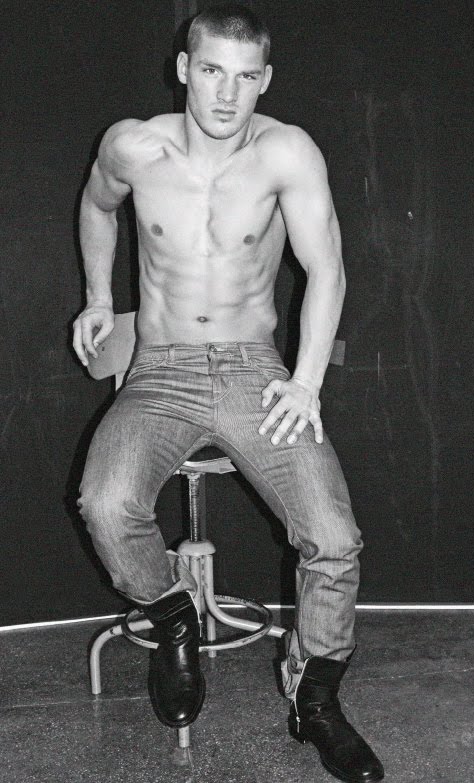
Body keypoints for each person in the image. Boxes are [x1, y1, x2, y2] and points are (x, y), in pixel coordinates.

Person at [73, 5, 384, 782]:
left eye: (245, 77)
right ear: (184, 68)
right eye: (211, 70)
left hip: (255, 368)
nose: (225, 94)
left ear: (265, 80)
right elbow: (96, 204)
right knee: (105, 503)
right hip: (161, 369)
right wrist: (97, 297)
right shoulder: (133, 145)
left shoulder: (286, 153)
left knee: (333, 537)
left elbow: (326, 268)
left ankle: (314, 699)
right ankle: (173, 614)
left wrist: (305, 380)